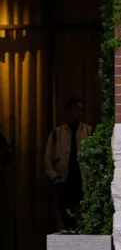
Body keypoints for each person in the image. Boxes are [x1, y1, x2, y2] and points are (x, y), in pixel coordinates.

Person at [44, 98, 92, 231]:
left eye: (81, 110)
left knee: (82, 214)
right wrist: (55, 178)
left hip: (82, 180)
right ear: (69, 111)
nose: (79, 113)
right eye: (76, 109)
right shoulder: (56, 133)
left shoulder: (88, 131)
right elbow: (48, 158)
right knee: (64, 215)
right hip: (63, 180)